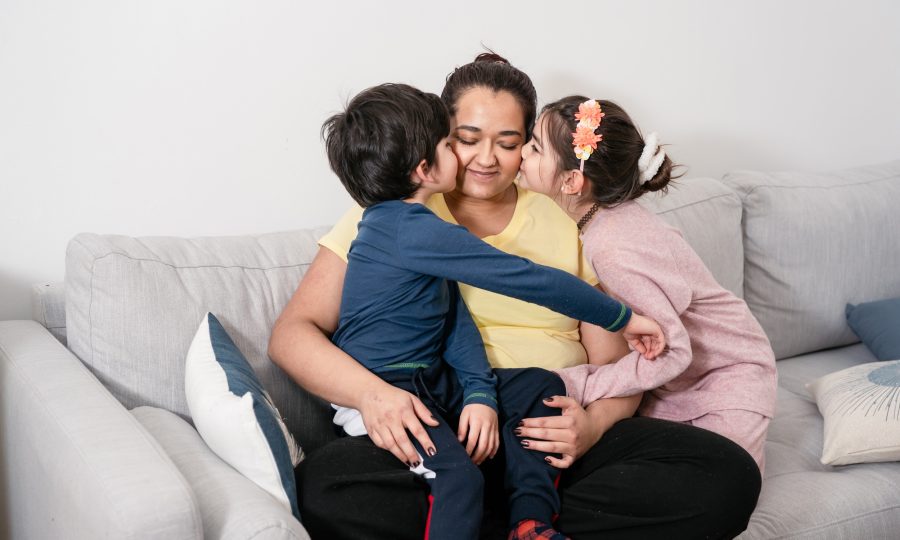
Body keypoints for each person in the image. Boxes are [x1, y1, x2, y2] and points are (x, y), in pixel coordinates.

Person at [269, 53, 762, 539]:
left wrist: (591, 424)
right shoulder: (385, 213)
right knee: (325, 487)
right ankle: (513, 515)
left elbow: (614, 365)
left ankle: (501, 516)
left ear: (528, 148)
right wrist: (370, 395)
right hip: (431, 415)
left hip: (539, 424)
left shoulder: (569, 215)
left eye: (509, 143)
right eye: (466, 140)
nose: (486, 159)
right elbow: (292, 336)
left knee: (726, 474)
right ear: (434, 145)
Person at [320, 82, 664, 540]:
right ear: (425, 167)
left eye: (509, 143)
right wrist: (624, 317)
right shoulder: (406, 228)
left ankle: (529, 524)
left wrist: (482, 396)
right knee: (447, 478)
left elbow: (453, 321)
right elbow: (528, 278)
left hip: (439, 385)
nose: (481, 159)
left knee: (542, 383)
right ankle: (472, 505)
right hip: (394, 390)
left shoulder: (424, 228)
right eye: (455, 141)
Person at [516, 96, 778, 471]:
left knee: (722, 486)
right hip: (677, 384)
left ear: (572, 181)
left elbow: (673, 350)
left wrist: (582, 383)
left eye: (535, 147)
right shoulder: (606, 223)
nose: (522, 151)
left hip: (729, 379)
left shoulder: (613, 247)